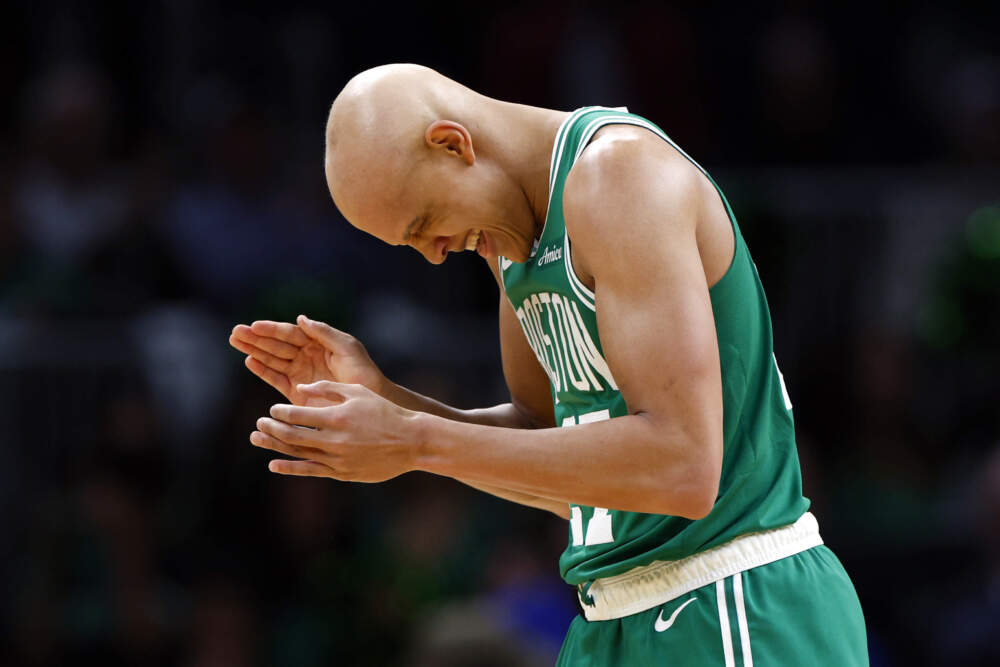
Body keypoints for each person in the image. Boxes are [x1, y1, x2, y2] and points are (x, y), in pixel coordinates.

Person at [229, 64, 868, 665]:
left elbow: (683, 465)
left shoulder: (618, 178)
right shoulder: (511, 239)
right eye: (410, 243)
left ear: (453, 144)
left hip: (735, 598)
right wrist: (392, 406)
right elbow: (556, 455)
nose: (433, 254)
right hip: (615, 613)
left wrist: (416, 440)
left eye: (425, 223)